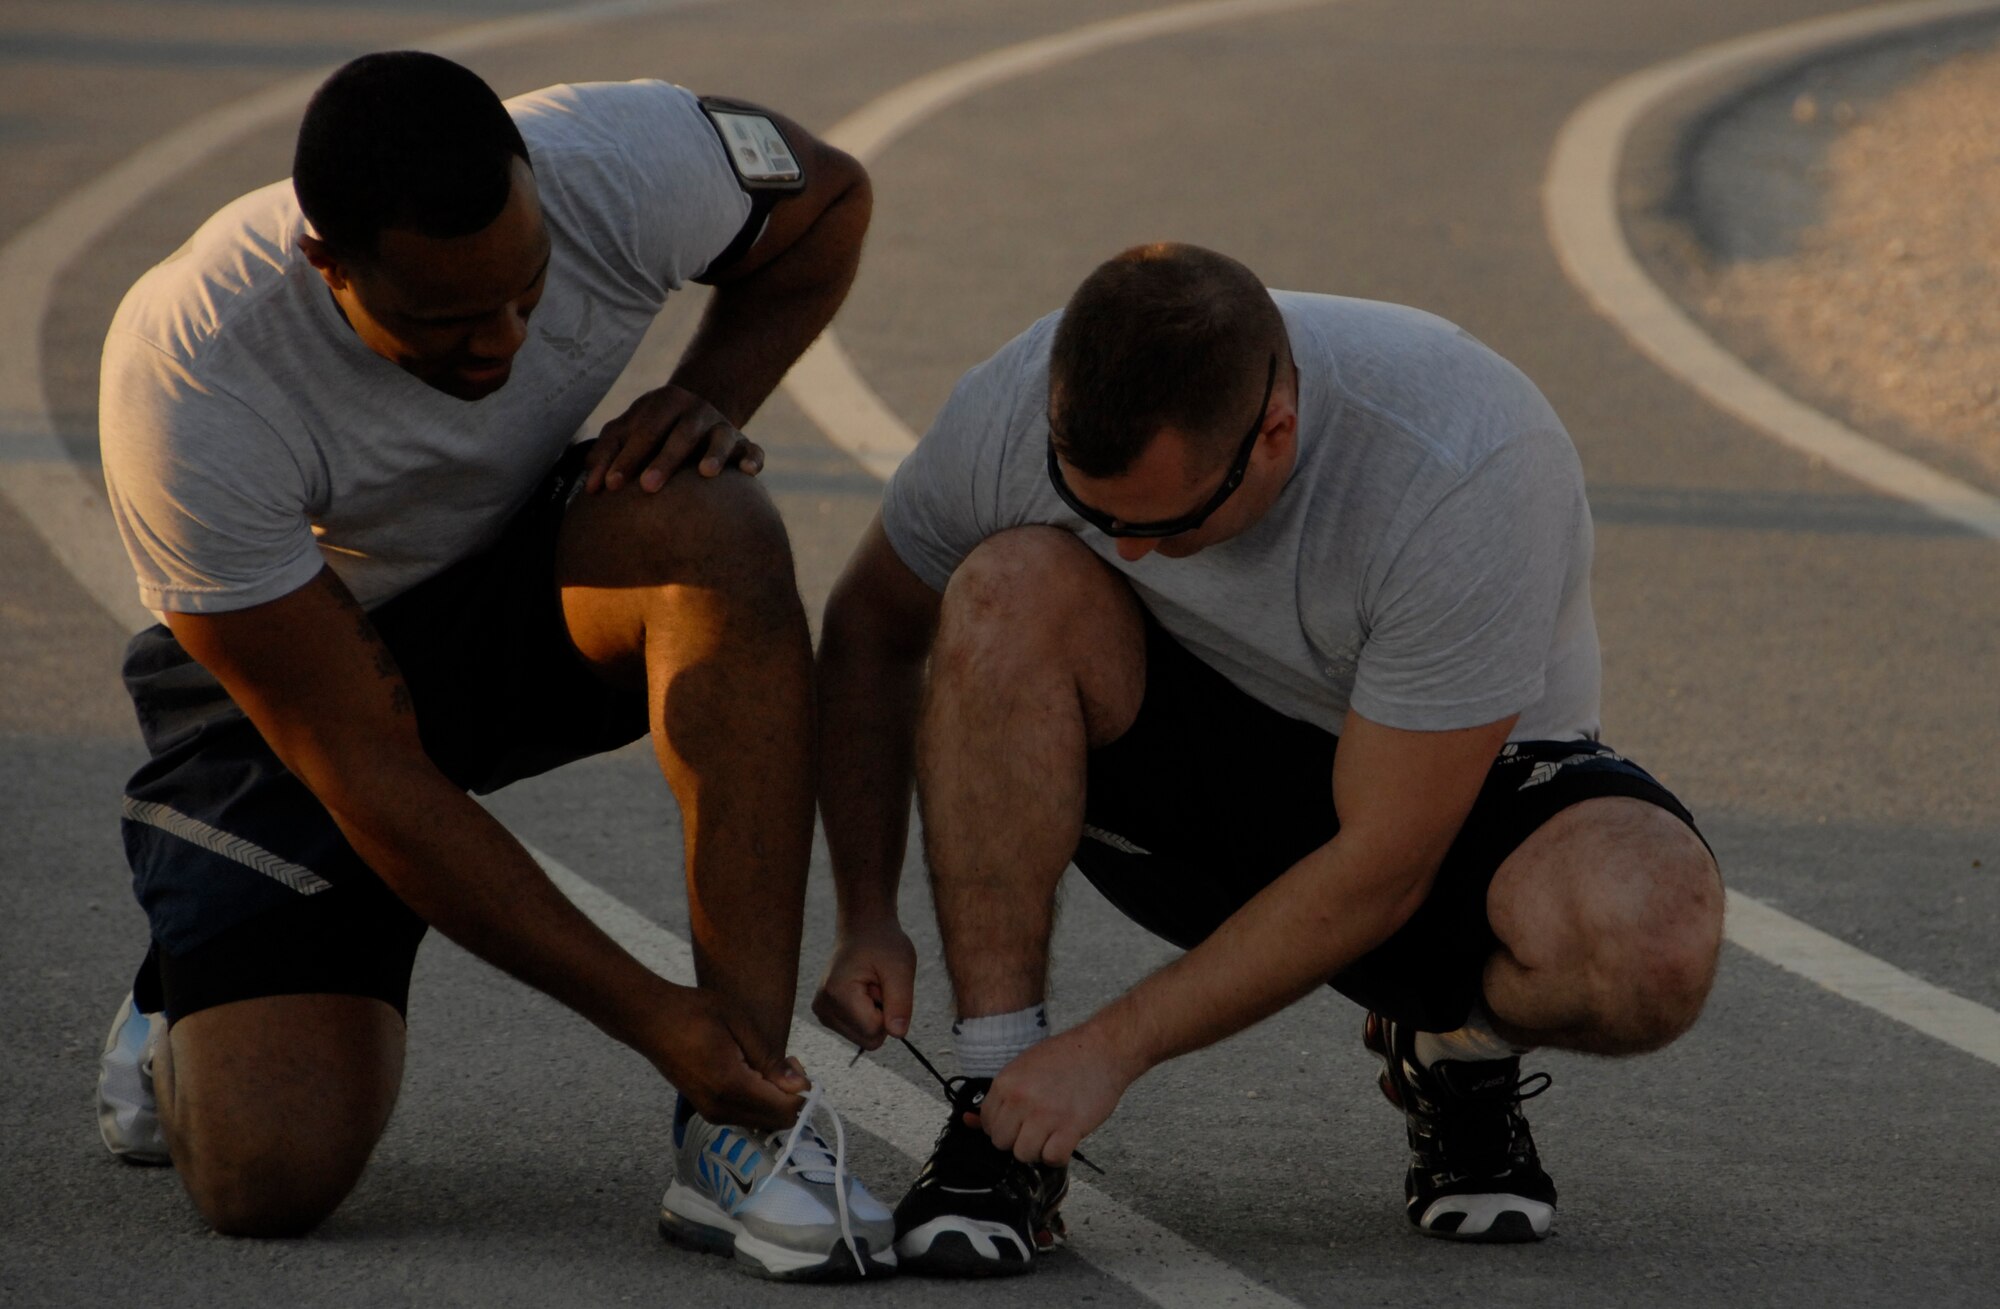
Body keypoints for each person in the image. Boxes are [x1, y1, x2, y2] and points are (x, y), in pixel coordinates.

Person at [93, 50, 897, 1279]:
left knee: (710, 522)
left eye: (524, 293)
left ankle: (737, 1116)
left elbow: (828, 198)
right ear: (329, 266)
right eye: (444, 321)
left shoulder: (618, 163)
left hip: (522, 574)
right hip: (301, 674)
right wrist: (644, 1011)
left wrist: (708, 392)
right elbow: (369, 763)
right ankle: (179, 994)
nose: (503, 344)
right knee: (267, 1181)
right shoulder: (191, 371)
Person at [813, 242, 1725, 1272]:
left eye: (1165, 523)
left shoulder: (1461, 457)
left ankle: (1453, 1045)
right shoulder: (1020, 399)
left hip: (1439, 804)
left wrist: (1109, 1049)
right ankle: (996, 1100)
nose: (1130, 551)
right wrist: (865, 915)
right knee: (1004, 587)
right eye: (1098, 516)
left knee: (1651, 938)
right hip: (1188, 765)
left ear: (1275, 434)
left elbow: (1384, 863)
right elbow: (869, 627)